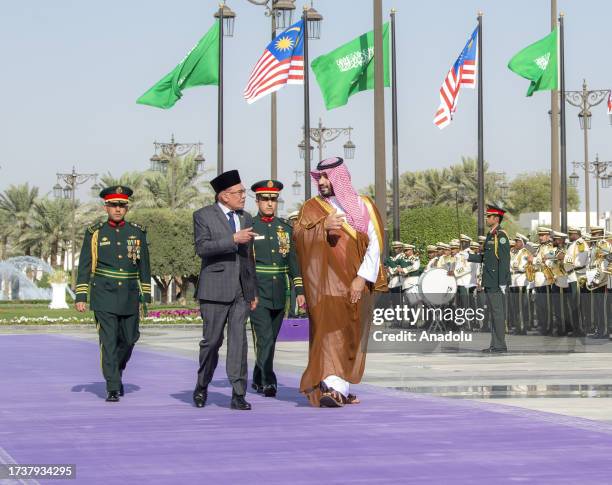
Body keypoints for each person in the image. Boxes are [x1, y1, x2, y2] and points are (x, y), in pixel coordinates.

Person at [293, 157, 387, 408]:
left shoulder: (364, 205)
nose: (321, 182)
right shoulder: (312, 208)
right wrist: (321, 227)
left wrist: (360, 278)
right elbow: (299, 236)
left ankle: (341, 386)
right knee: (328, 333)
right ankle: (332, 387)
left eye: (326, 177)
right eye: (319, 178)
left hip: (356, 284)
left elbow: (375, 245)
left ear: (340, 178)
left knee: (351, 334)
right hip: (324, 285)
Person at [75, 186, 151, 402]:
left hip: (129, 294)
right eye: (114, 205)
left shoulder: (136, 232)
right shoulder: (95, 233)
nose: (118, 209)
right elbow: (85, 266)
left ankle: (115, 372)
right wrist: (81, 296)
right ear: (105, 207)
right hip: (104, 295)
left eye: (122, 205)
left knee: (130, 339)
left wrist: (145, 292)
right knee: (108, 341)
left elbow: (143, 264)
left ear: (127, 208)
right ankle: (112, 386)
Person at [192, 170, 258, 410]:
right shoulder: (203, 216)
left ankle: (238, 393)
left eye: (243, 192)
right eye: (239, 192)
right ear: (223, 195)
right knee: (211, 342)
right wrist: (232, 239)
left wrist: (252, 292)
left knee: (239, 343)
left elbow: (249, 258)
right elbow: (202, 248)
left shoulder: (247, 217)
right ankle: (202, 385)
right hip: (214, 290)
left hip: (241, 291)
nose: (243, 196)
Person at [249, 180, 305, 398]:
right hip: (257, 291)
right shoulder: (250, 227)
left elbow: (293, 262)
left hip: (279, 291)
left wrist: (299, 291)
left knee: (271, 338)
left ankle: (256, 376)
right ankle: (268, 381)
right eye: (265, 199)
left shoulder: (285, 228)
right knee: (263, 337)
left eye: (273, 199)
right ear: (258, 201)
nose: (270, 203)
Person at [468, 204, 510, 352]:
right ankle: (494, 344)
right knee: (493, 313)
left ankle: (500, 345)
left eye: (489, 216)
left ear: (496, 218)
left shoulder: (501, 235)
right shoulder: (490, 235)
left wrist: (503, 282)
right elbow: (487, 258)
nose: (487, 218)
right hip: (490, 279)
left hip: (497, 281)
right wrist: (468, 256)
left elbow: (504, 260)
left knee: (498, 313)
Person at [563, 227, 588, 336]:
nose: (570, 235)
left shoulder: (580, 244)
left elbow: (581, 261)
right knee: (573, 304)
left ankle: (580, 329)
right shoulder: (573, 244)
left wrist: (570, 266)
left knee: (577, 304)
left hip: (577, 276)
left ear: (576, 234)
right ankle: (576, 328)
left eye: (571, 234)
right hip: (571, 276)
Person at [509, 234, 530, 335]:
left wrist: (519, 269)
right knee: (516, 305)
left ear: (522, 242)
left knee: (521, 305)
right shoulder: (516, 253)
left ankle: (522, 327)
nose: (515, 243)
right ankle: (518, 326)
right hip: (514, 281)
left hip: (521, 280)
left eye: (517, 241)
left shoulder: (525, 252)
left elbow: (526, 266)